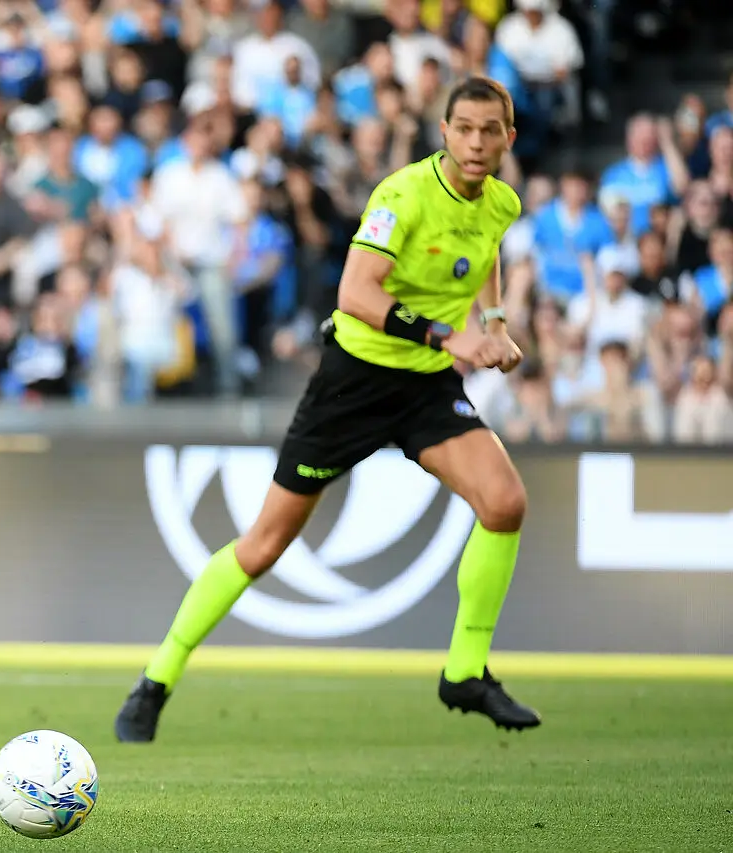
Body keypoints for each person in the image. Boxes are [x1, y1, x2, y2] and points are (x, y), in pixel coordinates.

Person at [115, 76, 542, 741]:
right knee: (263, 546)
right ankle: (156, 678)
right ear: (445, 132)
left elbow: (483, 256)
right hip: (353, 383)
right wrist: (449, 337)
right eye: (465, 128)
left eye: (492, 130)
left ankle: (465, 671)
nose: (478, 142)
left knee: (505, 502)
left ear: (509, 137)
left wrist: (494, 321)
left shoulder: (501, 203)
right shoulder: (401, 196)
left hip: (425, 387)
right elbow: (355, 293)